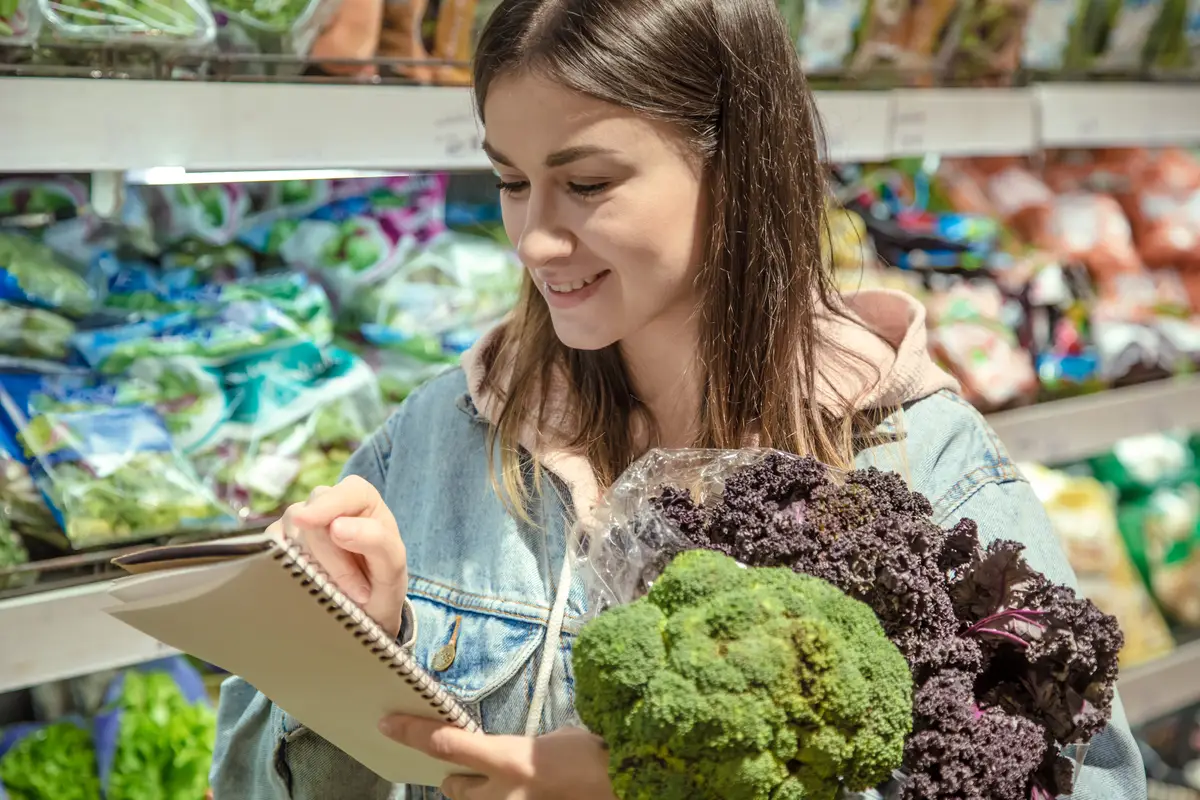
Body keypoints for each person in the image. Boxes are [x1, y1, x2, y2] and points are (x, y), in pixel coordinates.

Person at [210, 0, 1148, 798]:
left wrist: (680, 776)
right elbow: (248, 775)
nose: (534, 240)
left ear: (735, 169)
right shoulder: (439, 436)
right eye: (509, 182)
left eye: (586, 184)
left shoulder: (919, 459)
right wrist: (349, 650)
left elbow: (1090, 778)